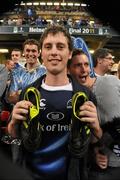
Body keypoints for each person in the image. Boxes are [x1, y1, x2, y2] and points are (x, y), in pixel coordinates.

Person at [8, 25, 102, 180]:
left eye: (60, 46)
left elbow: (95, 138)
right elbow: (16, 136)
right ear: (42, 53)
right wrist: (13, 125)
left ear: (70, 52)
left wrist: (96, 128)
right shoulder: (29, 93)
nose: (54, 52)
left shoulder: (85, 95)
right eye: (48, 46)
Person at [68, 48, 120, 180]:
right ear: (68, 70)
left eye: (86, 64)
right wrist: (95, 152)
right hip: (100, 167)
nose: (84, 69)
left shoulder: (111, 82)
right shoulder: (74, 98)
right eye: (78, 65)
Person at [7, 39, 46, 104]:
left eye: (33, 51)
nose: (30, 54)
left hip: (41, 111)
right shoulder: (16, 73)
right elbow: (11, 99)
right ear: (24, 53)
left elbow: (47, 96)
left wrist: (20, 92)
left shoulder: (45, 72)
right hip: (21, 112)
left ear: (38, 53)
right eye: (27, 51)